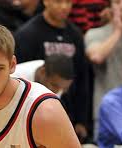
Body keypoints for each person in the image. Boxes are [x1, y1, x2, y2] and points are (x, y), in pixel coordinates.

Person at [14, 0, 92, 142]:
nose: (64, 6)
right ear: (46, 1)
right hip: (32, 109)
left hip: (68, 110)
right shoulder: (27, 34)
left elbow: (82, 77)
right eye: (58, 1)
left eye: (68, 2)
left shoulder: (75, 34)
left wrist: (82, 119)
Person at [85, 0, 122, 135]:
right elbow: (96, 56)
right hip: (106, 106)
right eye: (117, 2)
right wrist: (117, 31)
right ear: (110, 7)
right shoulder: (94, 33)